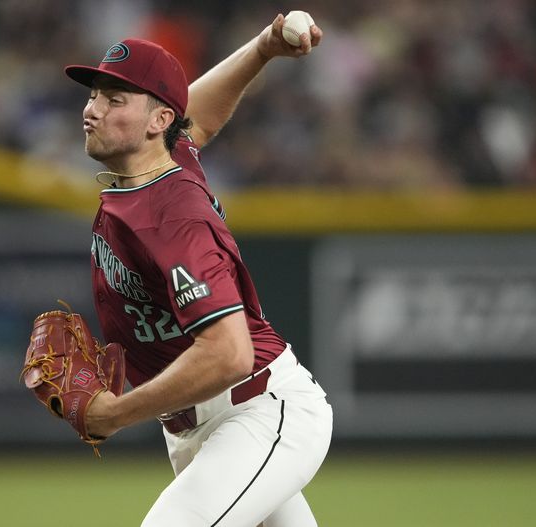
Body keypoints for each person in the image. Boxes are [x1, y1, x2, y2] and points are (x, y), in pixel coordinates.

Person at [64, 14, 331, 527]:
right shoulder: (165, 158)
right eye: (94, 94)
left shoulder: (174, 217)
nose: (92, 110)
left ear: (157, 122)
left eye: (114, 100)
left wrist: (115, 414)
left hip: (257, 413)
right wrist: (263, 47)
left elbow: (230, 353)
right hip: (202, 428)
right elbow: (197, 115)